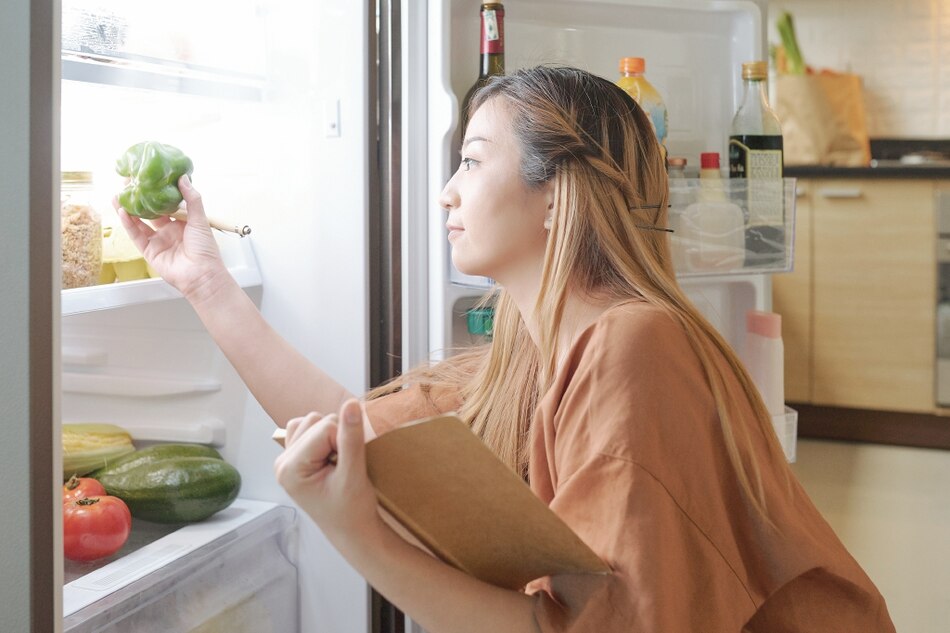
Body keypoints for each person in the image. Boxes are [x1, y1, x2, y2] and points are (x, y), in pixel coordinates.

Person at [117, 65, 895, 632]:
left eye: (472, 158)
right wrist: (207, 286)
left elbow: (585, 627)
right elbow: (350, 432)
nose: (447, 190)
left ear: (556, 195)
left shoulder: (635, 346)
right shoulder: (533, 354)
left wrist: (354, 531)